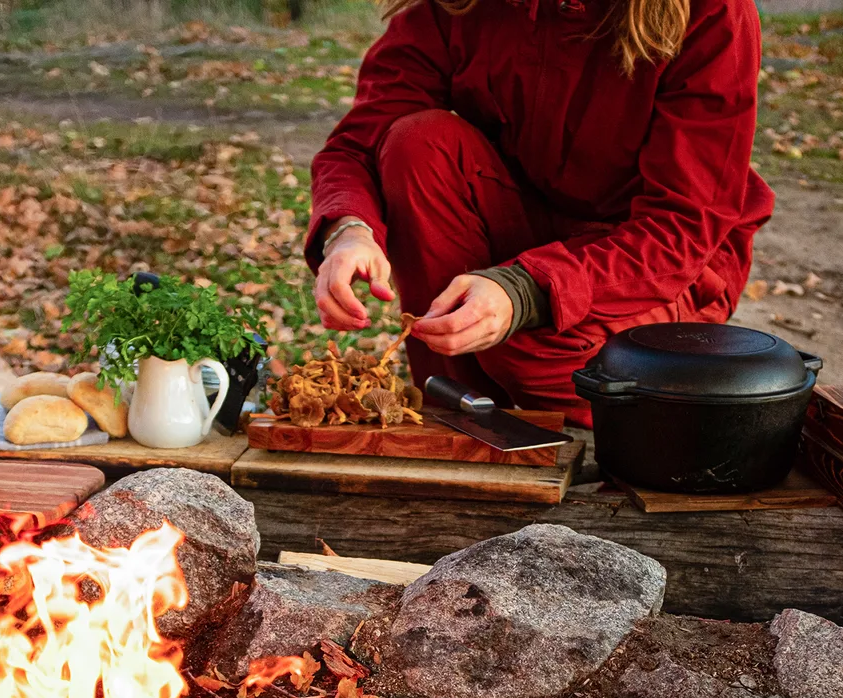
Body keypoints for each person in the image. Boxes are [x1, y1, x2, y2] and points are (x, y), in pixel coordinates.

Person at [306, 0, 772, 427]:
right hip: (525, 224)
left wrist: (525, 290)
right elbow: (360, 142)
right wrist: (349, 230)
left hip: (655, 263)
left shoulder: (712, 10)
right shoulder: (457, 6)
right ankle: (458, 417)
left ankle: (654, 425)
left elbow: (682, 226)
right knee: (417, 144)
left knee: (524, 352)